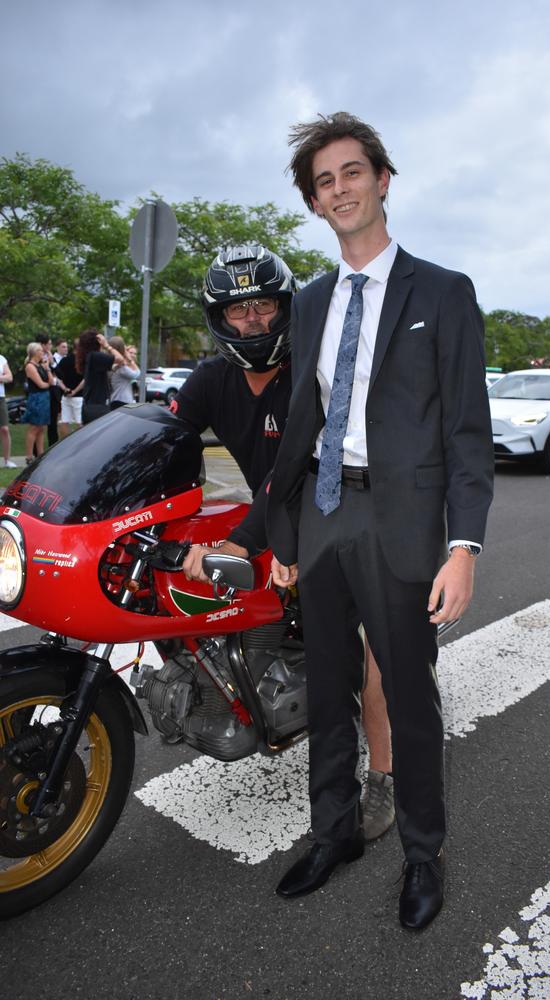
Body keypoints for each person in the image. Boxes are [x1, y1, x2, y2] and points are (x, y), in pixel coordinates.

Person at [267, 112, 494, 929]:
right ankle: (334, 834)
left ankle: (423, 854)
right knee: (325, 693)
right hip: (324, 515)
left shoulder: (443, 291)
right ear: (315, 203)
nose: (340, 189)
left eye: (351, 172)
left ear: (382, 179)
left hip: (402, 528)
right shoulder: (310, 302)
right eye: (324, 181)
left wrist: (463, 546)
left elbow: (468, 431)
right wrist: (283, 535)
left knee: (407, 696)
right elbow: (303, 421)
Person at [175, 244, 395, 840]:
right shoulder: (212, 379)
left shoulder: (314, 371)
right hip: (274, 516)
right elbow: (166, 432)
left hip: (340, 506)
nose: (253, 321)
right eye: (237, 311)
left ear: (286, 306)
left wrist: (246, 541)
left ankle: (384, 775)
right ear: (218, 319)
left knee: (376, 645)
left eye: (265, 306)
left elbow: (297, 465)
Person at [75, 328, 125, 424]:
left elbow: (103, 370)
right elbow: (120, 358)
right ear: (97, 341)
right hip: (97, 407)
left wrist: (115, 367)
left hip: (89, 406)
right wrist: (107, 345)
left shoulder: (90, 356)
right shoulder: (96, 356)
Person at [23, 341, 55, 460]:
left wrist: (47, 369)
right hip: (36, 398)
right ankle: (29, 456)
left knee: (42, 427)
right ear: (34, 352)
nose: (43, 352)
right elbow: (41, 385)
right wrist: (48, 384)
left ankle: (40, 455)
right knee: (34, 427)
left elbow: (51, 381)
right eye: (41, 350)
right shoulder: (30, 366)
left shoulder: (41, 366)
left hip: (45, 398)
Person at [54, 337, 84, 437]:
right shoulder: (83, 361)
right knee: (81, 423)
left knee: (65, 421)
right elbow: (85, 379)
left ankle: (66, 445)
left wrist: (65, 388)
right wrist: (75, 391)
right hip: (79, 396)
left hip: (66, 395)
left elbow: (57, 377)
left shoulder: (64, 361)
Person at [108, 336, 140, 408]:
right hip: (121, 401)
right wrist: (131, 361)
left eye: (135, 353)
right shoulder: (121, 367)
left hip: (120, 400)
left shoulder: (119, 365)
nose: (133, 355)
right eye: (130, 352)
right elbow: (137, 374)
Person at [0, 352, 16, 467]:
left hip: (0, 397)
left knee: (5, 429)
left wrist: (1, 378)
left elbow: (9, 377)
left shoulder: (1, 358)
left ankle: (7, 461)